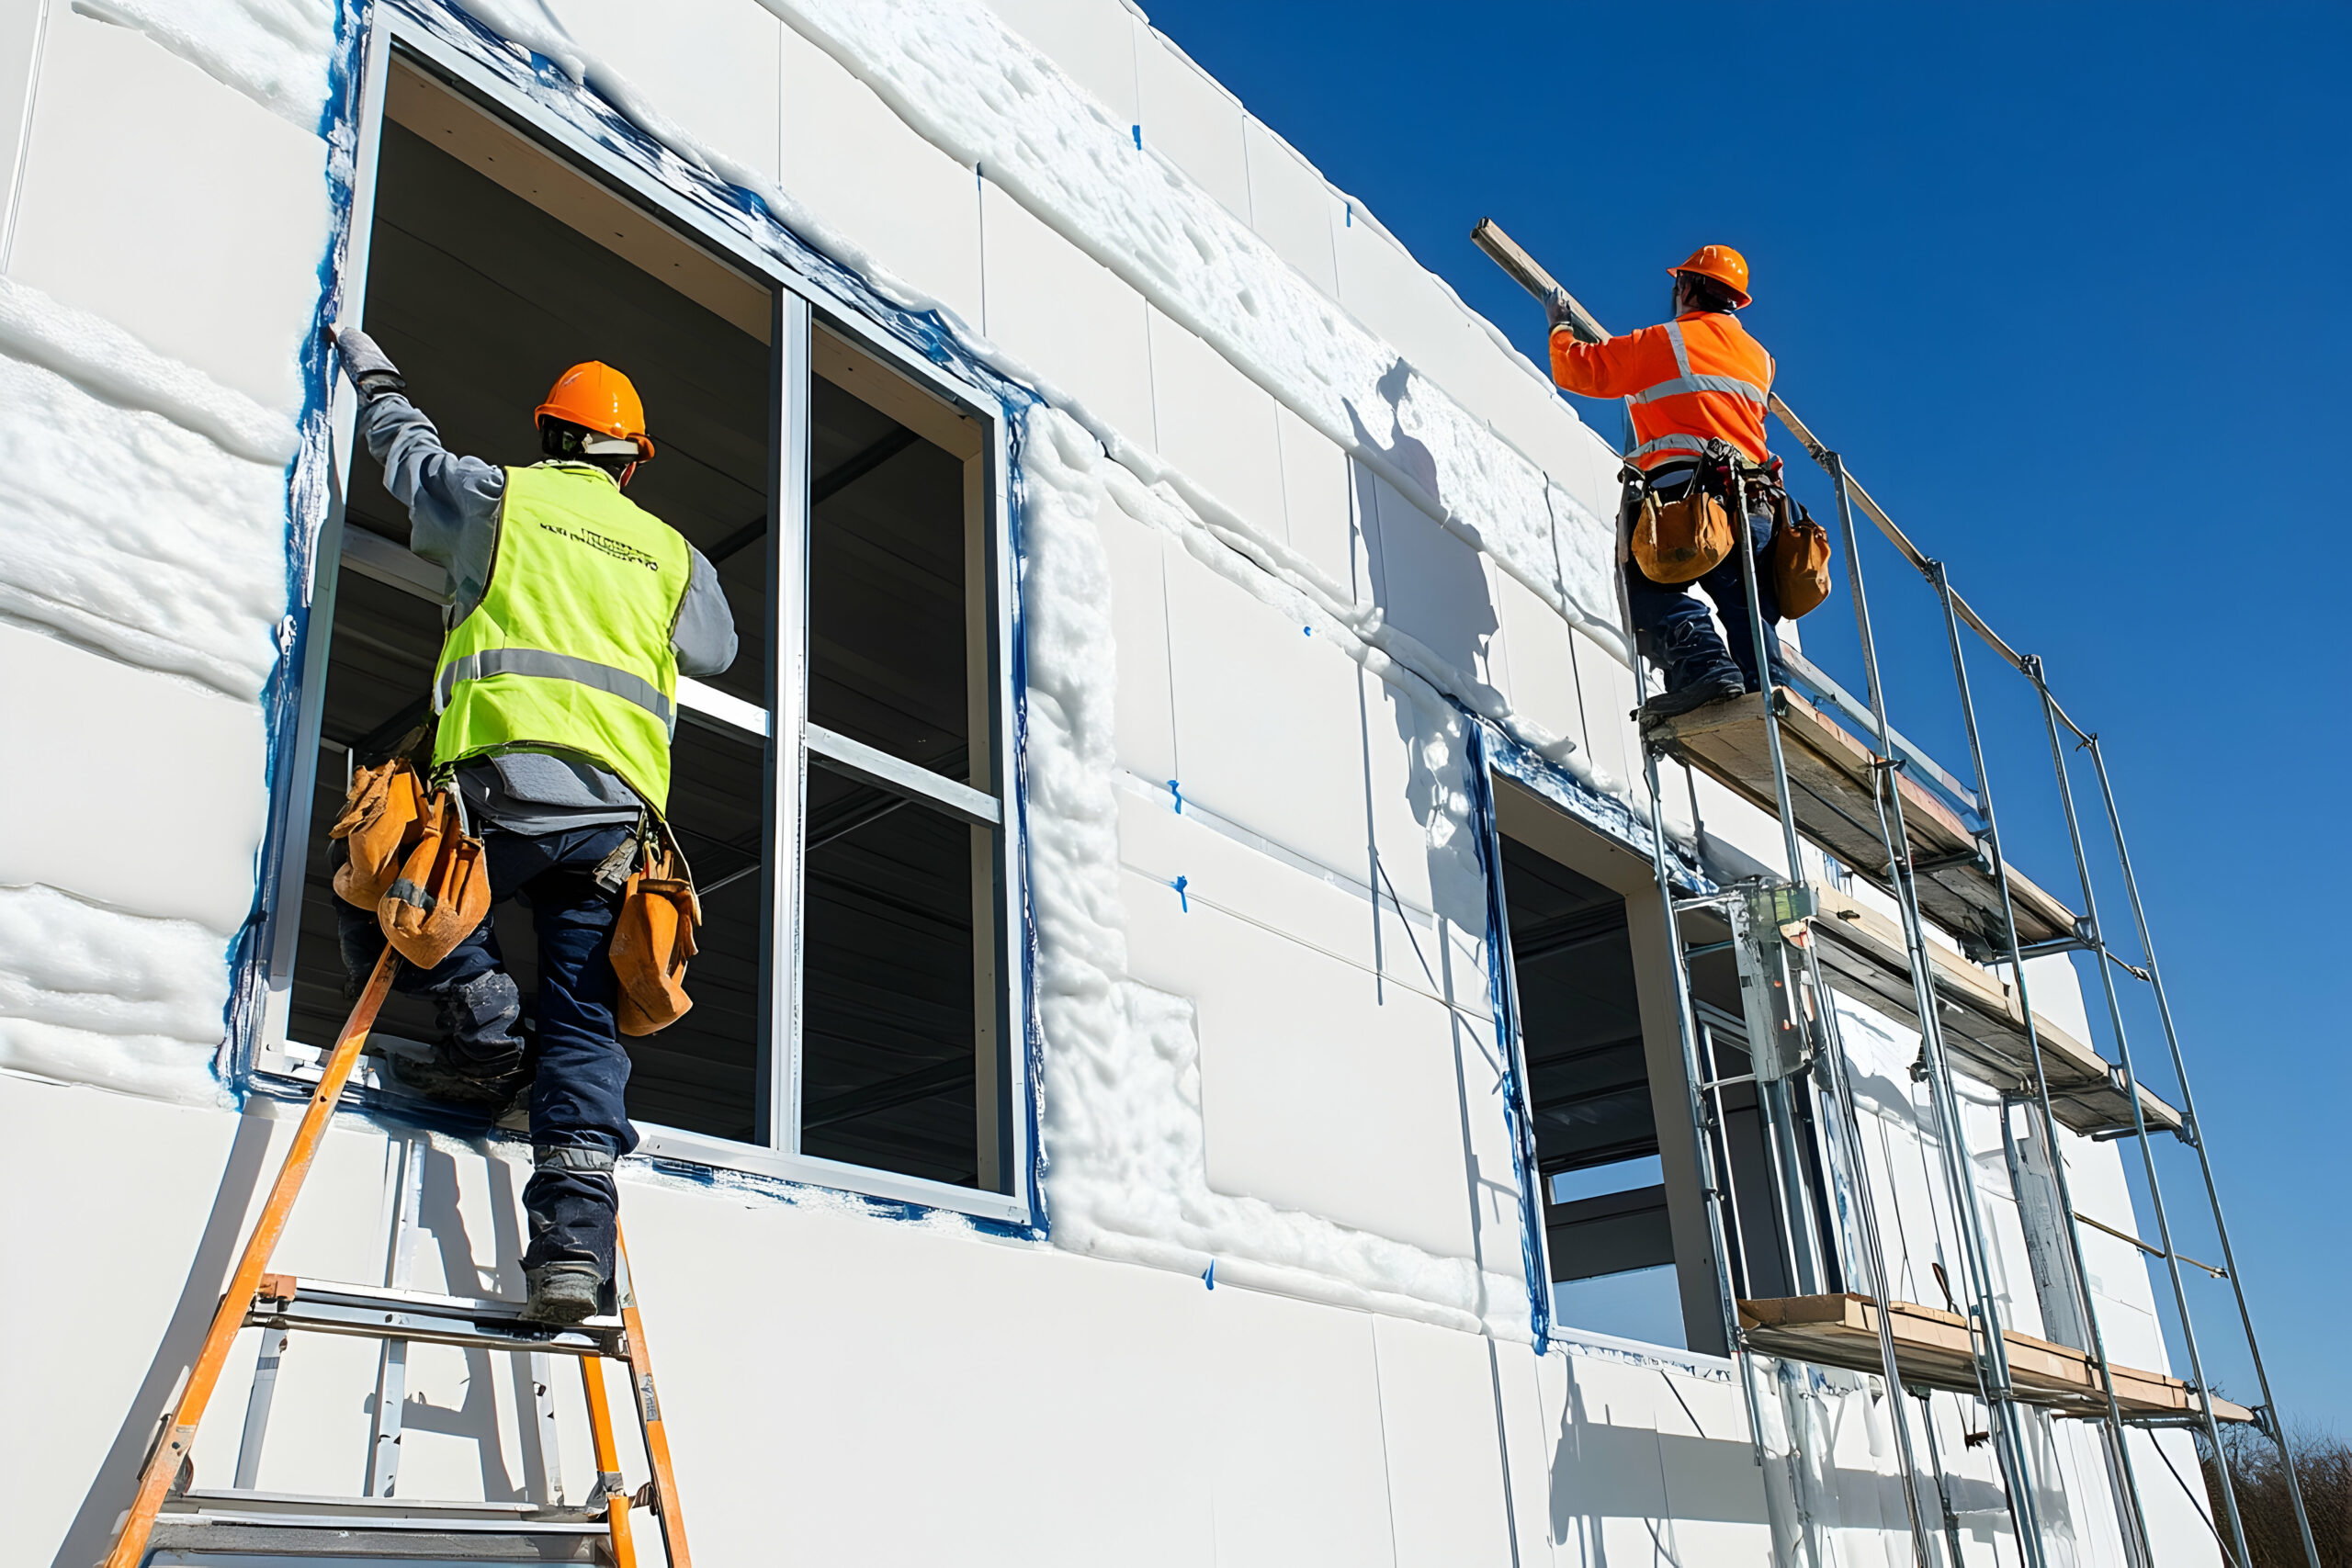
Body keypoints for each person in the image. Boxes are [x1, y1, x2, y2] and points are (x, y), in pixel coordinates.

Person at [331, 327, 737, 1322]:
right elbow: (717, 649)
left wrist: (377, 378)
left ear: (550, 434)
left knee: (375, 888)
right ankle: (567, 1250)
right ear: (633, 462)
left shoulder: (497, 500)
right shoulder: (671, 556)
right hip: (613, 827)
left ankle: (486, 1032)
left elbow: (410, 462)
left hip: (502, 794)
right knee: (587, 1024)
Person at [1546, 244, 1789, 722]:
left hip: (1691, 499)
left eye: (1678, 284)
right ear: (1735, 301)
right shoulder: (1760, 359)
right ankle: (1770, 690)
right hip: (1758, 503)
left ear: (1689, 287)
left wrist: (1559, 326)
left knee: (1647, 585)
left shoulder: (1666, 342)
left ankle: (1702, 667)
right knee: (1748, 610)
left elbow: (1577, 368)